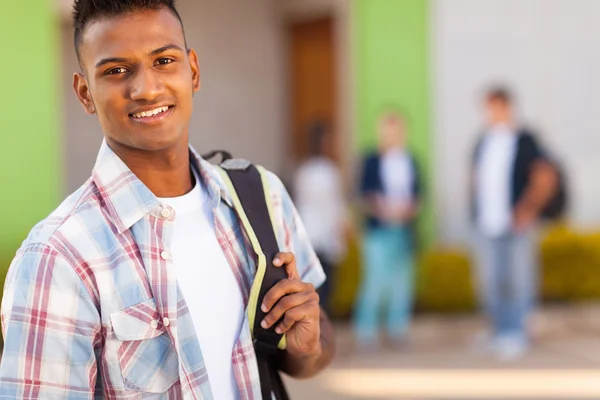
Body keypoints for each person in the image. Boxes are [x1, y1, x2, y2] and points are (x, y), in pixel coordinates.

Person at [0, 1, 335, 398]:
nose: (147, 88)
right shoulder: (58, 258)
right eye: (116, 71)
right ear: (85, 93)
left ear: (192, 70)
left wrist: (309, 343)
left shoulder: (259, 197)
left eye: (163, 61)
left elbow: (313, 348)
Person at [470, 87, 557, 360]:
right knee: (492, 280)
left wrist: (527, 209)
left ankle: (516, 333)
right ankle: (498, 331)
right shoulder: (483, 141)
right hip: (489, 223)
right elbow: (476, 177)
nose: (490, 113)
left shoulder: (525, 139)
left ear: (507, 107)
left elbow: (545, 176)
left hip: (516, 224)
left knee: (519, 280)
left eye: (495, 107)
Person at [354, 109, 422, 350]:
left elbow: (419, 196)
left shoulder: (411, 160)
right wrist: (380, 209)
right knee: (375, 281)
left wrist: (408, 210)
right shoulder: (371, 159)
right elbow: (362, 195)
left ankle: (397, 330)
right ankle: (366, 332)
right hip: (378, 230)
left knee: (402, 283)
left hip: (403, 230)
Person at [293, 121, 349, 315]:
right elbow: (335, 206)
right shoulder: (326, 171)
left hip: (310, 235)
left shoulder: (304, 170)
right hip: (320, 236)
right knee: (323, 290)